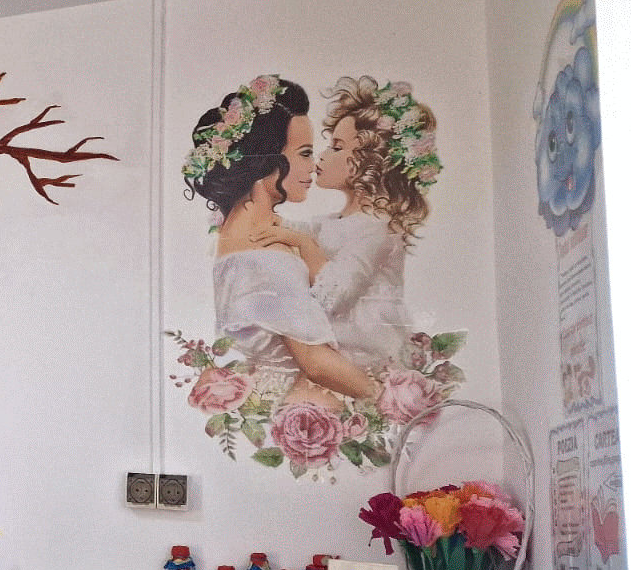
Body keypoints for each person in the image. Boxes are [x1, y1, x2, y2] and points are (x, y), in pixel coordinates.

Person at [182, 75, 375, 410]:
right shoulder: (268, 254)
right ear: (265, 161)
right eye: (304, 153)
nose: (313, 166)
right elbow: (316, 364)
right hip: (294, 406)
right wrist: (382, 397)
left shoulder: (234, 231)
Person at [298, 77, 440, 372]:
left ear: (369, 162)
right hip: (337, 354)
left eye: (337, 147)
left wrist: (299, 242)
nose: (322, 156)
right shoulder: (327, 224)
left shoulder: (377, 226)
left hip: (369, 359)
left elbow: (332, 296)